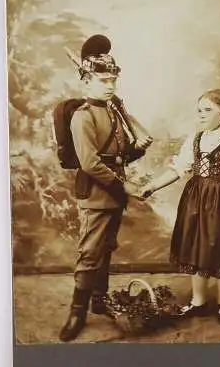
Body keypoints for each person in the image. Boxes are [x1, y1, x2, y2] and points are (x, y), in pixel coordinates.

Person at [139, 87, 220, 325]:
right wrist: (152, 186)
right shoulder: (196, 138)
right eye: (199, 111)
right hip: (196, 203)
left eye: (207, 110)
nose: (201, 115)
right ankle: (198, 301)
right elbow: (178, 169)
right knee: (197, 249)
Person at [59, 34, 151, 342]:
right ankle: (77, 312)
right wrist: (124, 189)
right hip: (98, 193)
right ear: (86, 82)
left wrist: (138, 149)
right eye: (103, 80)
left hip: (115, 192)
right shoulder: (82, 117)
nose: (110, 86)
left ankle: (99, 301)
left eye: (113, 80)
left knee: (106, 248)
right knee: (89, 253)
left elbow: (119, 154)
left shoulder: (113, 111)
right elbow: (90, 163)